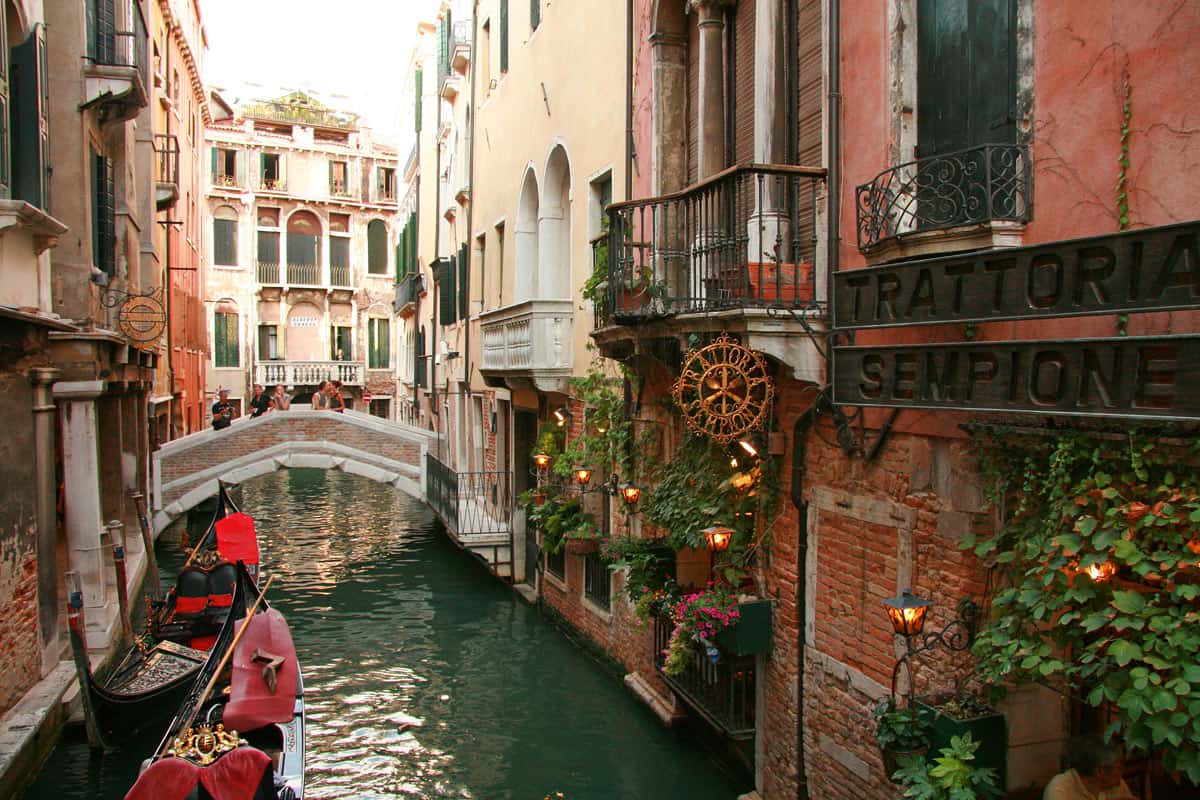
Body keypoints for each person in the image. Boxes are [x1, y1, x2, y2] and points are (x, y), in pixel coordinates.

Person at [1044, 736, 1135, 800]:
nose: (1123, 771)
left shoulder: (1117, 785)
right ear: (1100, 771)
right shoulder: (1059, 788)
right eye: (1119, 767)